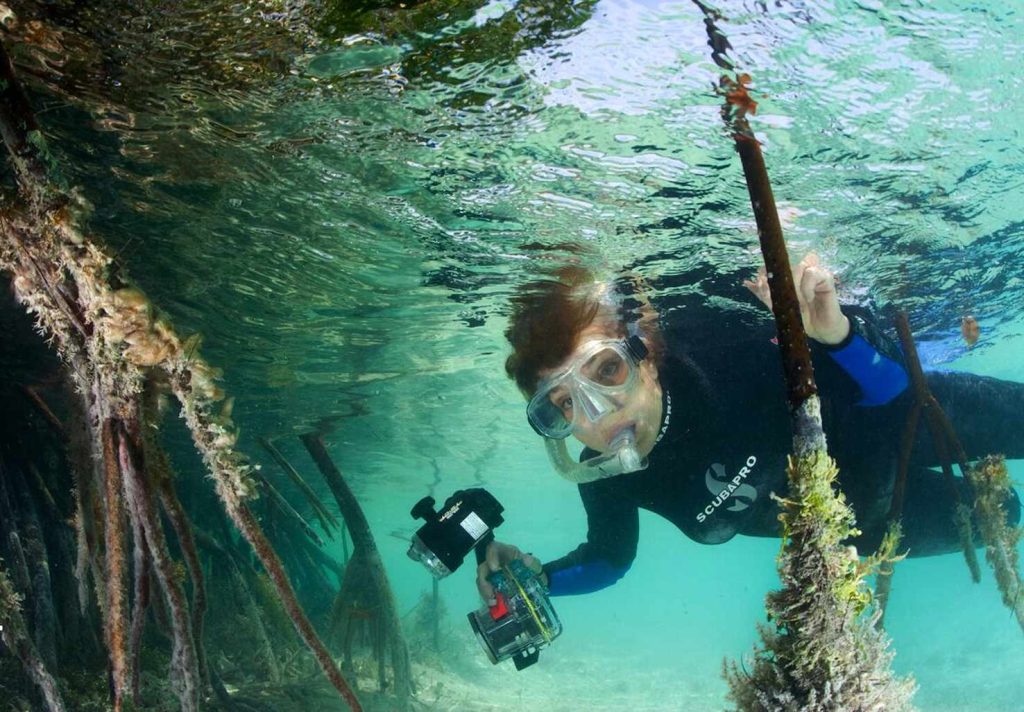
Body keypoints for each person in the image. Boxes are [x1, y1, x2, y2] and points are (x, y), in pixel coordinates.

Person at [476, 254, 1024, 601]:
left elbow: (891, 392)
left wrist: (835, 337)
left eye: (607, 370)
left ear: (644, 355)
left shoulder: (710, 342)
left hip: (899, 419)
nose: (599, 417)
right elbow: (607, 559)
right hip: (873, 517)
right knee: (1009, 515)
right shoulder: (608, 476)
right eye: (564, 405)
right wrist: (531, 583)